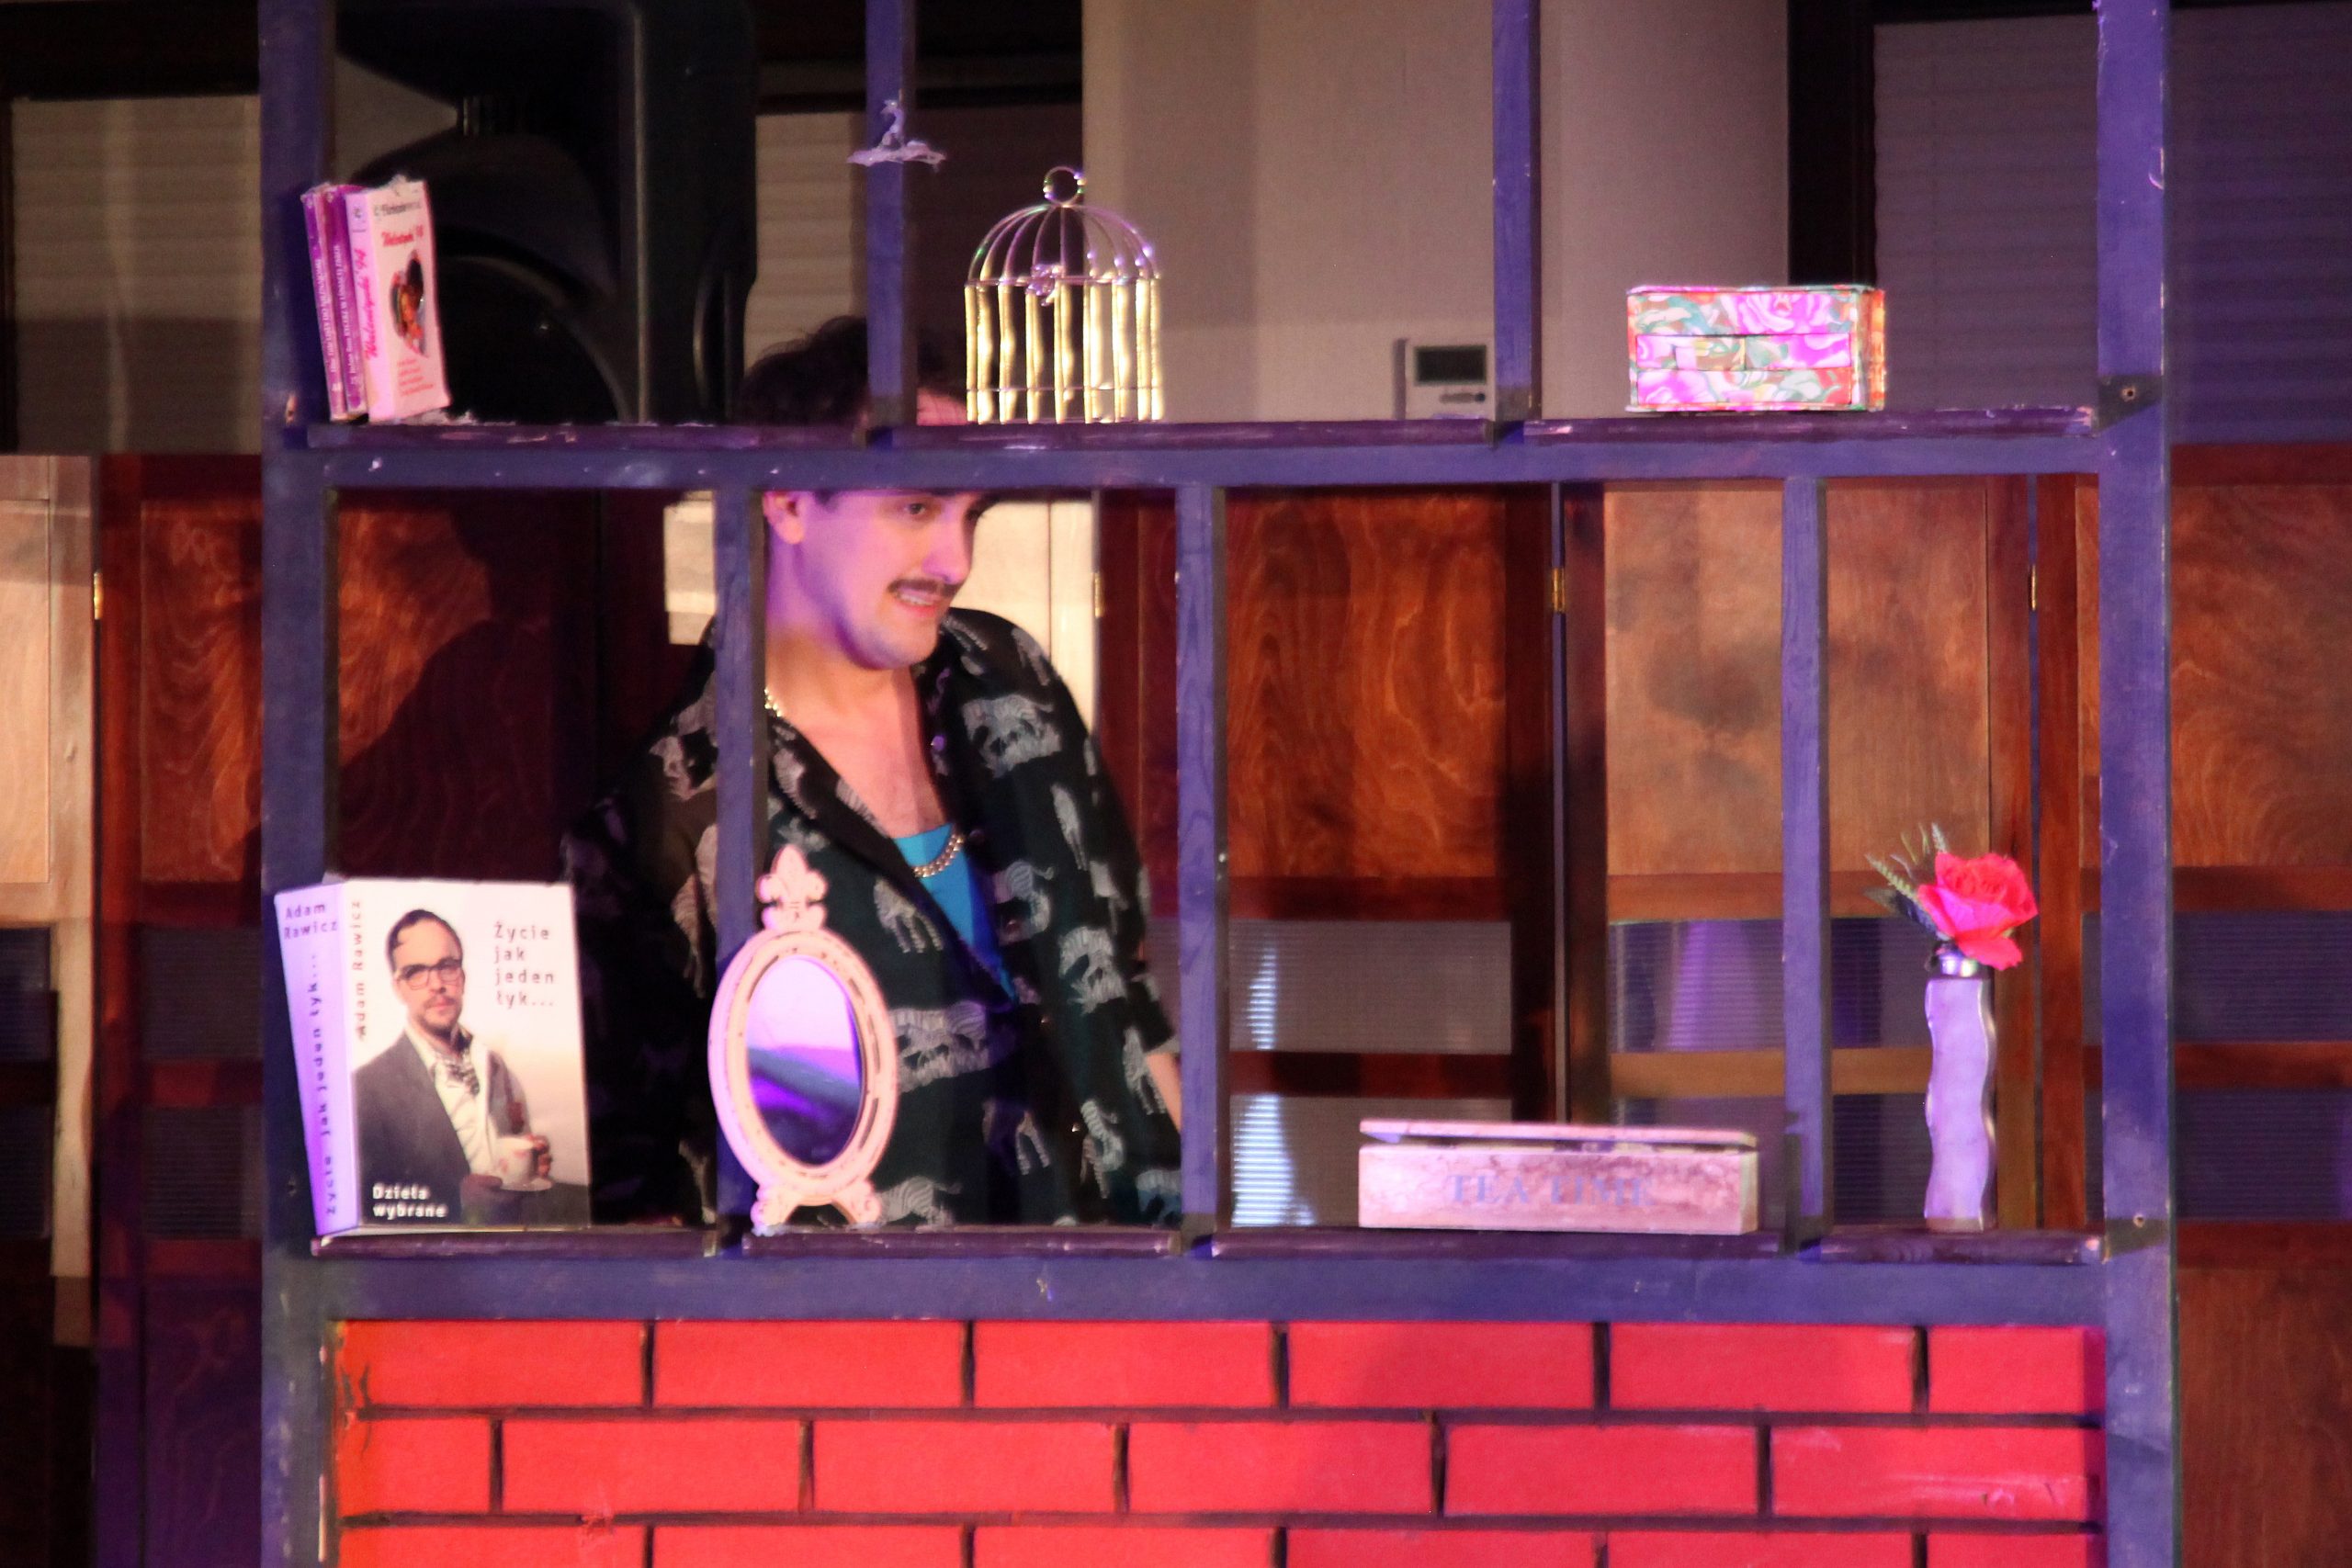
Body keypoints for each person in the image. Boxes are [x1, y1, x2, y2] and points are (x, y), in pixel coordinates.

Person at [565, 316, 1181, 1226]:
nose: (956, 560)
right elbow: (638, 1193)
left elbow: (1129, 1000)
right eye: (917, 509)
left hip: (1119, 1282)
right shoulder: (673, 810)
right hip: (871, 1308)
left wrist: (1205, 1251)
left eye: (970, 514)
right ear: (787, 501)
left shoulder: (1010, 678)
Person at [353, 909, 552, 1223]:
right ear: (398, 987)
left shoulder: (496, 1066)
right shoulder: (365, 1088)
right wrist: (455, 1198)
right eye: (416, 972)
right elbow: (364, 1205)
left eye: (446, 967)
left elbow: (513, 1156)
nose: (436, 984)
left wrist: (530, 1166)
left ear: (462, 976)